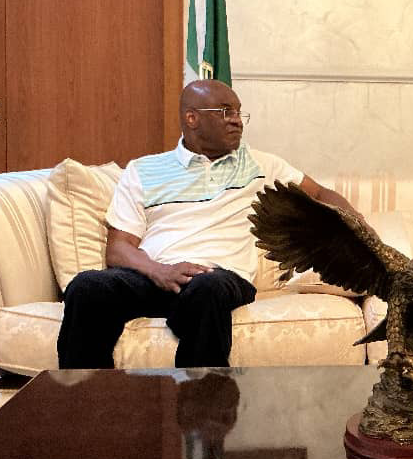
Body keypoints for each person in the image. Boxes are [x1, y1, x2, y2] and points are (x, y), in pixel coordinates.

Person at [56, 79, 353, 369]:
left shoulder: (261, 165)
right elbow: (119, 248)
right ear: (192, 118)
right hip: (155, 276)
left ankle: (201, 401)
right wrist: (159, 271)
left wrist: (360, 229)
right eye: (226, 111)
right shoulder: (144, 170)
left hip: (219, 277)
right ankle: (86, 397)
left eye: (239, 112)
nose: (237, 121)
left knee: (207, 289)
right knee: (87, 286)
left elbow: (319, 194)